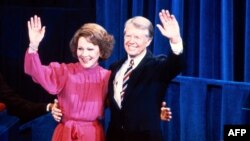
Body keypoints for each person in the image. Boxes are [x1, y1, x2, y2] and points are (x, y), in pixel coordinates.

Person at [51, 9, 182, 141]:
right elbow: (105, 100)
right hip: (115, 136)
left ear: (148, 41)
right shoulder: (115, 68)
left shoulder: (157, 66)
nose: (131, 41)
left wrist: (175, 39)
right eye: (128, 35)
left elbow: (175, 65)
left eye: (137, 37)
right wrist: (60, 105)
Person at [24, 15, 115, 141]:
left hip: (92, 136)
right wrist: (33, 45)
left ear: (101, 51)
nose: (84, 54)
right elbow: (35, 71)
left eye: (90, 49)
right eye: (80, 48)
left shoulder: (108, 77)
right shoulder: (64, 71)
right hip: (65, 134)